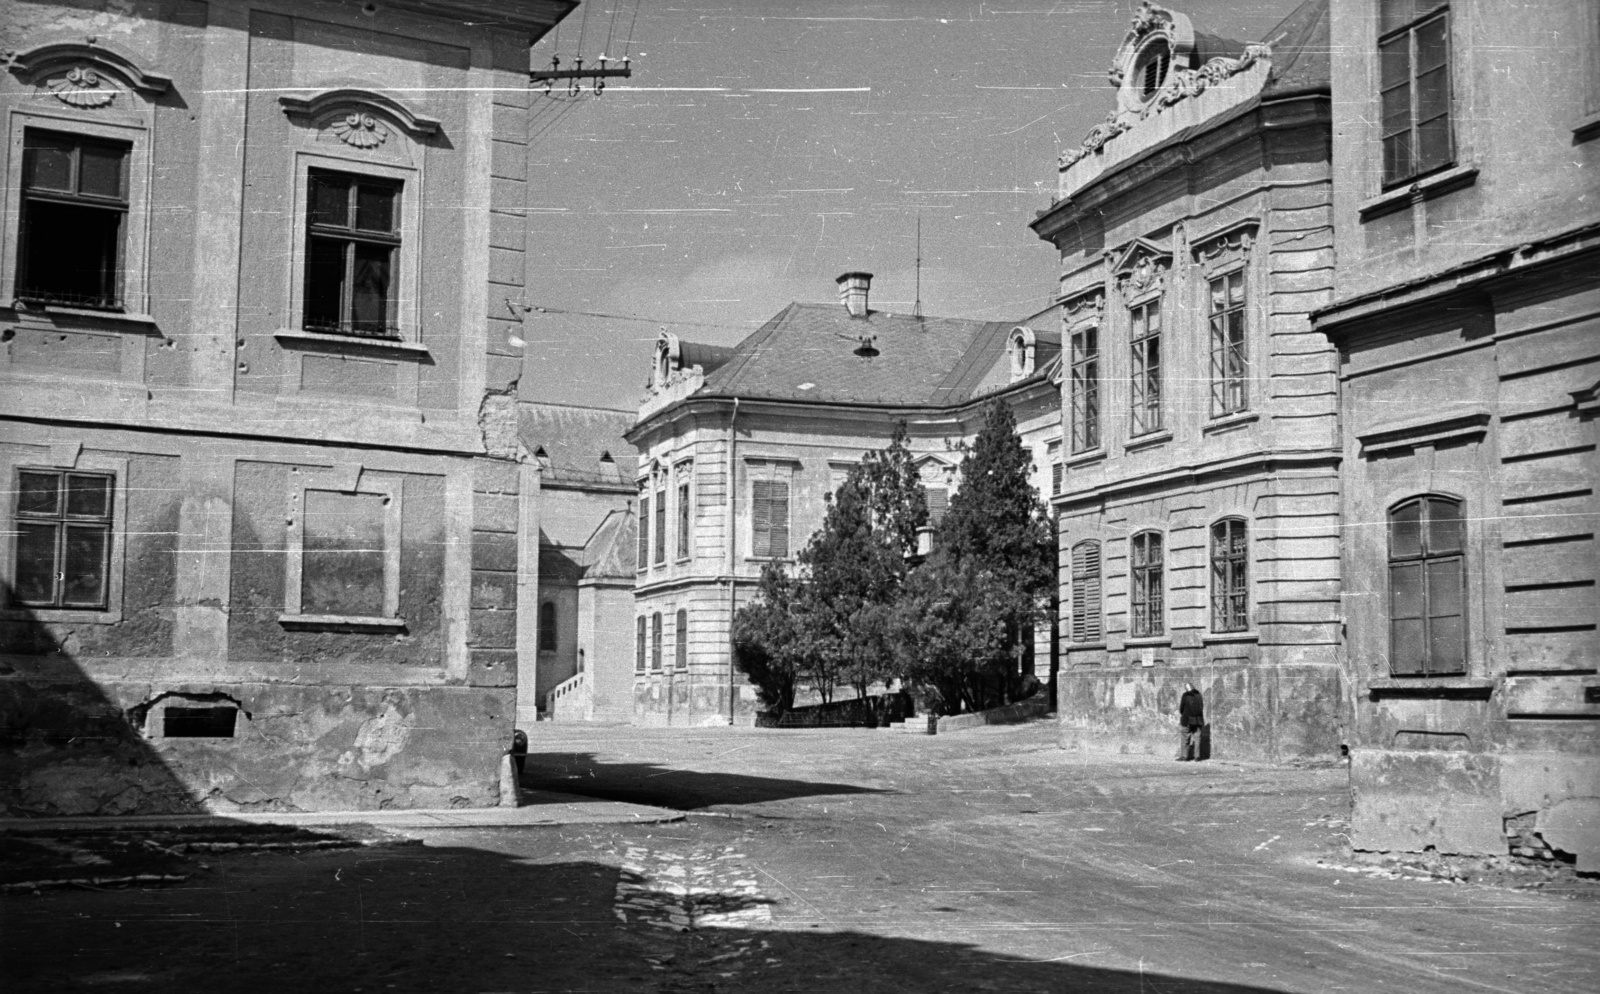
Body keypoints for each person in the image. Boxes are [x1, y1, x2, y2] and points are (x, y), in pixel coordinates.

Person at [1176, 683, 1204, 761]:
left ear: (1187, 688)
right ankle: (1197, 756)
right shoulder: (1199, 695)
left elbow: (1181, 708)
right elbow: (1201, 707)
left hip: (1187, 719)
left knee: (1185, 737)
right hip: (1198, 720)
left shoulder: (1185, 696)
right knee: (1197, 738)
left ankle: (1184, 756)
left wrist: (1184, 714)